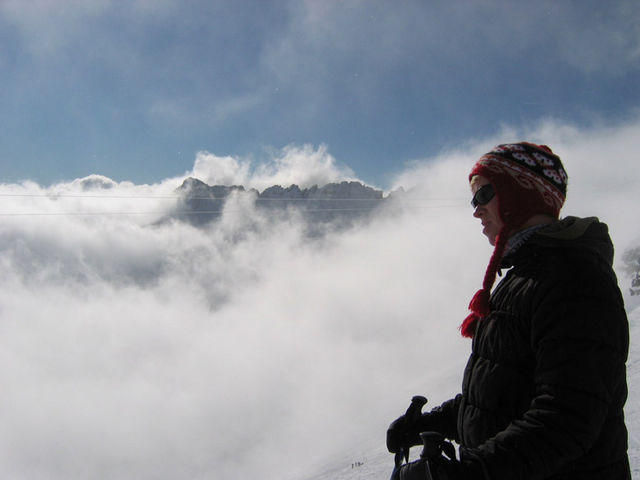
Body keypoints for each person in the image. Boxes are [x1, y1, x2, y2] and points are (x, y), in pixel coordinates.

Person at [387, 142, 630, 479]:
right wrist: (431, 423)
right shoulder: (526, 275)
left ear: (520, 194)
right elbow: (504, 396)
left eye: (483, 195)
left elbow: (567, 418)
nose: (476, 210)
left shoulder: (575, 280)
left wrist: (471, 472)